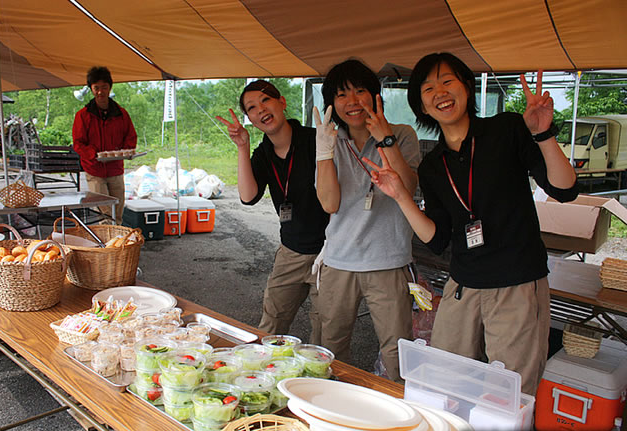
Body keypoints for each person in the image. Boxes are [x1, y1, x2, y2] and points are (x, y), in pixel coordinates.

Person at [364, 52, 578, 394]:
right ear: (421, 106)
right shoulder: (435, 164)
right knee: (445, 386)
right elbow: (436, 238)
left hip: (517, 283)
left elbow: (564, 189)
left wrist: (543, 134)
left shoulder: (506, 129)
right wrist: (401, 196)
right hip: (462, 285)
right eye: (428, 88)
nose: (440, 92)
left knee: (511, 394)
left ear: (466, 86)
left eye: (448, 81)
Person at [314, 59, 420, 382]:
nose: (353, 101)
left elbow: (408, 188)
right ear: (332, 102)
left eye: (361, 91)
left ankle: (398, 419)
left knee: (396, 352)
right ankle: (333, 411)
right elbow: (330, 203)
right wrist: (324, 153)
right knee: (330, 349)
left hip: (388, 261)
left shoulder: (402, 135)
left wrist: (384, 140)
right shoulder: (327, 139)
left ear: (376, 96)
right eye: (342, 94)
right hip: (339, 261)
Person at [216, 80, 329, 343]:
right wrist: (242, 147)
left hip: (329, 254)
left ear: (282, 102)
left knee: (325, 332)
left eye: (265, 100)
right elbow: (247, 196)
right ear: (250, 119)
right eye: (251, 108)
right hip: (290, 251)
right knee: (270, 325)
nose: (261, 110)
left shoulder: (315, 140)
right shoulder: (263, 153)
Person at [72, 66, 136, 225]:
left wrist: (126, 150)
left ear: (110, 87)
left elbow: (131, 136)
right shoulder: (83, 115)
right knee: (104, 213)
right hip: (94, 170)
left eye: (104, 87)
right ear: (91, 89)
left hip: (115, 169)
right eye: (96, 88)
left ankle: (119, 245)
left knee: (118, 211)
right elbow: (78, 143)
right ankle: (105, 246)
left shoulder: (121, 114)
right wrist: (93, 154)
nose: (100, 92)